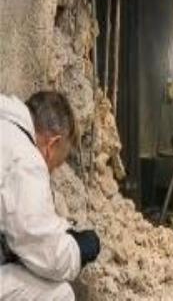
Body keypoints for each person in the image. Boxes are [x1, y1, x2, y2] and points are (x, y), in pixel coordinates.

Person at [0, 91, 101, 300]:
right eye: (54, 166)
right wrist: (78, 249)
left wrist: (60, 230)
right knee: (59, 293)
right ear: (51, 145)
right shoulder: (26, 158)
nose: (50, 172)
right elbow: (42, 249)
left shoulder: (7, 129)